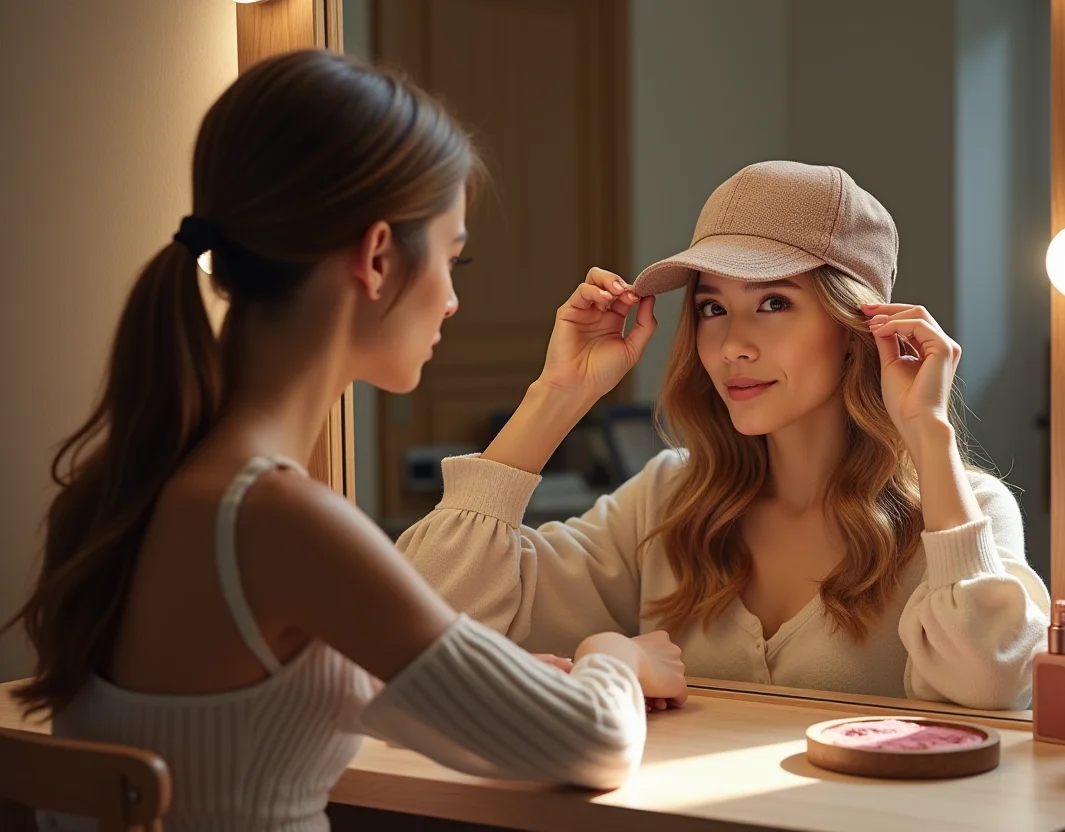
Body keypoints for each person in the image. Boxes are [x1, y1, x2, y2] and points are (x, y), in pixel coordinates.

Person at [2, 50, 688, 831]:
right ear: (377, 258)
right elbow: (594, 742)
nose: (454, 301)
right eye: (453, 258)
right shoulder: (278, 520)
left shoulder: (129, 487)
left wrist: (487, 677)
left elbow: (263, 706)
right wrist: (614, 657)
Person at [398, 161, 1050, 711]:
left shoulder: (967, 511)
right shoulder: (670, 496)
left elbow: (991, 688)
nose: (733, 344)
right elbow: (431, 617)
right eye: (713, 307)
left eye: (773, 303)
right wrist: (556, 396)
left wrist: (927, 435)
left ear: (858, 328)